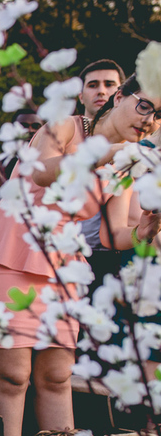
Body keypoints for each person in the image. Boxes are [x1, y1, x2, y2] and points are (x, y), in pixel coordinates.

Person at [0, 72, 160, 436]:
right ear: (120, 97)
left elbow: (117, 231)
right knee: (13, 374)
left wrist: (146, 232)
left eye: (160, 117)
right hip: (13, 252)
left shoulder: (129, 163)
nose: (150, 120)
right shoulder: (63, 127)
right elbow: (39, 171)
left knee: (56, 375)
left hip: (64, 264)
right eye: (145, 106)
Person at [76, 59, 126, 279]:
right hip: (63, 252)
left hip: (115, 255)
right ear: (81, 95)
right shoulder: (62, 137)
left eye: (109, 84)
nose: (101, 91)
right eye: (93, 85)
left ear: (120, 93)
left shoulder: (133, 139)